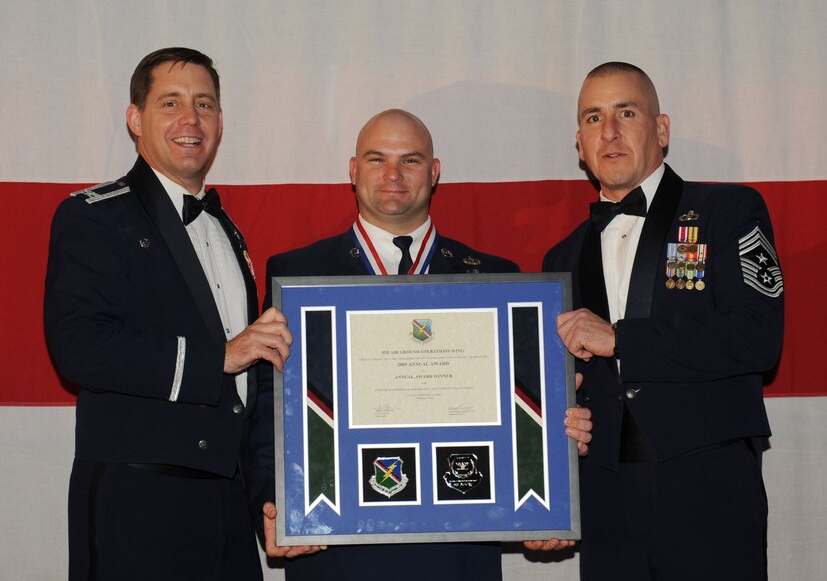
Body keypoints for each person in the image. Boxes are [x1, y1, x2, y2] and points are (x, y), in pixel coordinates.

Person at [257, 109, 593, 580]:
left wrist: (554, 471)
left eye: (410, 160)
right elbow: (268, 408)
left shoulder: (498, 280)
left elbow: (526, 410)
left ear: (435, 173)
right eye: (377, 159)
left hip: (455, 554)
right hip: (333, 550)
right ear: (353, 171)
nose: (393, 175)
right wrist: (272, 503)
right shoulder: (295, 277)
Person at [44, 47, 295, 581]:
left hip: (227, 505)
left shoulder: (228, 230)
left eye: (204, 105)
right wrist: (217, 358)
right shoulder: (94, 217)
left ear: (220, 122)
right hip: (138, 504)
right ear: (135, 119)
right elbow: (79, 348)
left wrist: (269, 503)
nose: (191, 120)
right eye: (171, 103)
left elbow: (246, 394)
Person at [543, 62, 784, 580]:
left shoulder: (728, 211)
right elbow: (560, 389)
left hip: (708, 489)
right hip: (606, 500)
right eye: (593, 118)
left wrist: (621, 338)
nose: (608, 131)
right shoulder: (560, 257)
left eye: (626, 112)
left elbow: (757, 337)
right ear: (579, 143)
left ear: (661, 128)